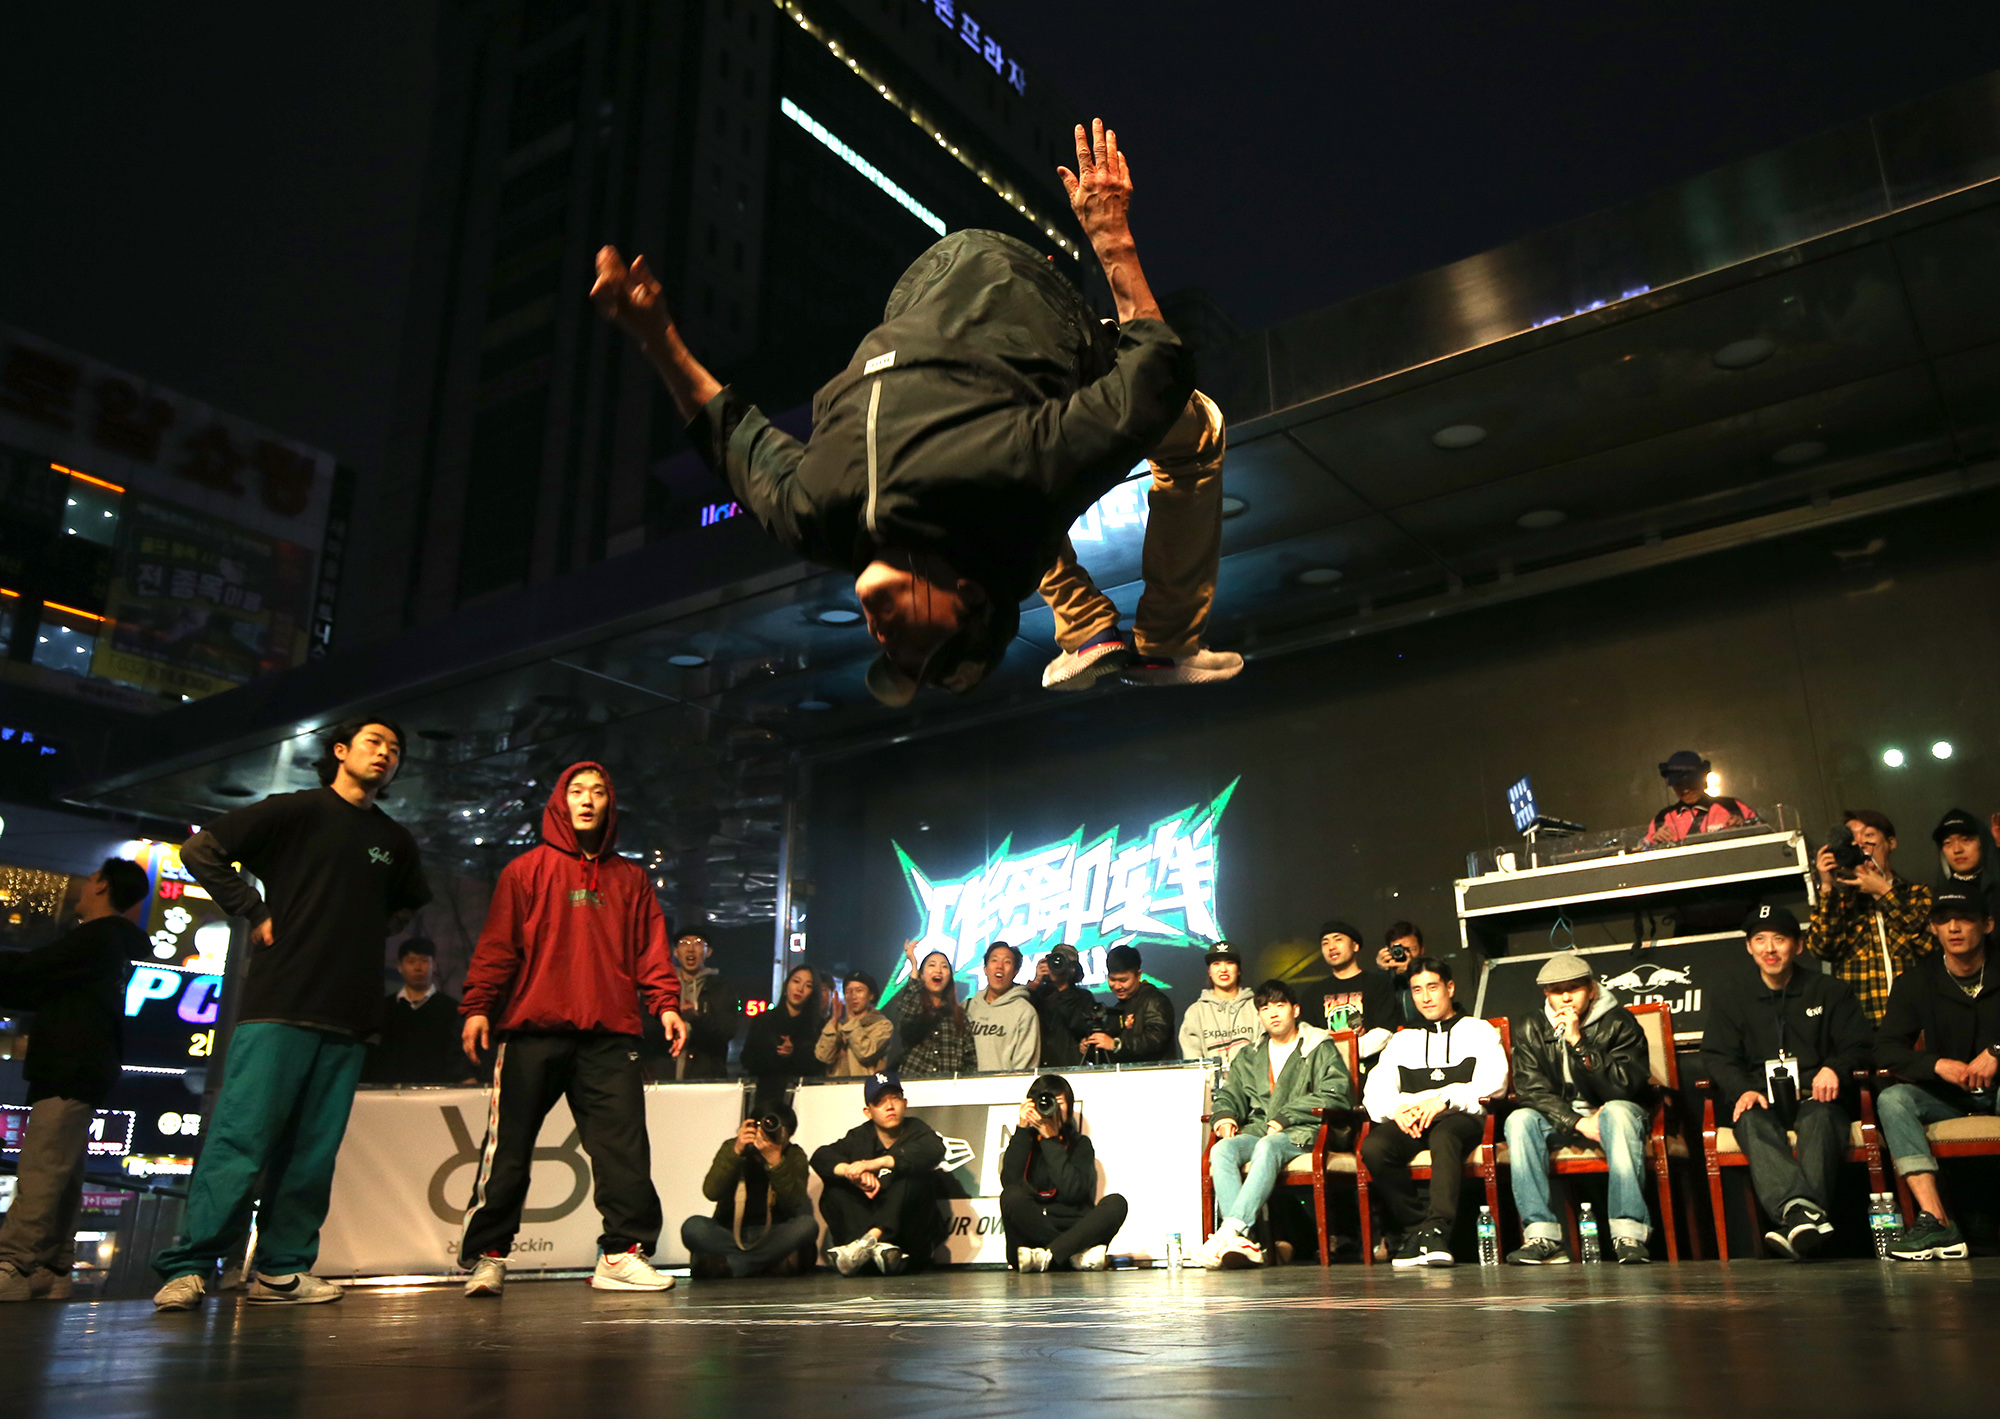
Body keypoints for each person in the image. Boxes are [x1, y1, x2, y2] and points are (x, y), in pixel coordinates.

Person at [592, 118, 1241, 705]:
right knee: (1193, 432)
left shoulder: (815, 517)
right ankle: (1167, 642)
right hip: (1027, 297)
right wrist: (1111, 236)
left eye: (888, 653)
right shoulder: (1021, 474)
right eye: (915, 646)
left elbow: (729, 434)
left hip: (920, 292)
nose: (884, 639)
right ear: (968, 600)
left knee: (1009, 516)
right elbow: (1155, 371)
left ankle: (1087, 627)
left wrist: (655, 336)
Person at [152, 717, 431, 1312]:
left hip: (350, 1011)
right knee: (242, 1138)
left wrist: (357, 932)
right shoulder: (295, 810)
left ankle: (281, 1269)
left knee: (312, 1152)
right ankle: (191, 1265)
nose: (385, 754)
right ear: (340, 751)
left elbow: (408, 904)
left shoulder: (395, 839)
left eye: (395, 749)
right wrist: (253, 910)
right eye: (374, 743)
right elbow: (201, 850)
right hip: (280, 1002)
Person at [456, 761, 687, 1298]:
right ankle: (489, 1256)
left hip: (610, 1034)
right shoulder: (525, 871)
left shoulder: (631, 879)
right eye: (577, 791)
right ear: (560, 802)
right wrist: (478, 1005)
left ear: (610, 804)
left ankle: (622, 1254)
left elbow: (651, 952)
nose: (586, 800)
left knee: (624, 1150)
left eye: (598, 792)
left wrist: (666, 1005)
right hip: (532, 1030)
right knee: (508, 1148)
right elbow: (497, 946)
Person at [0, 858, 149, 1302]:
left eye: (89, 881)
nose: (82, 889)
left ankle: (14, 1264)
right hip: (87, 1064)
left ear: (101, 885)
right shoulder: (114, 946)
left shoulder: (95, 938)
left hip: (67, 1062)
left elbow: (30, 972)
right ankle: (54, 1266)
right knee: (63, 1168)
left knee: (43, 1166)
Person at [1700, 903, 1871, 1260]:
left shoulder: (1829, 990)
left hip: (1816, 1097)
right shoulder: (1731, 994)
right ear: (1749, 947)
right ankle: (1806, 1216)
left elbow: (1859, 1044)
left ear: (1798, 945)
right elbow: (1717, 1055)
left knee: (1820, 1117)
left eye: (1779, 939)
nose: (1770, 949)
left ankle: (1795, 1216)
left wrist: (1834, 1068)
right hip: (1761, 1098)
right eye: (1760, 940)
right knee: (1749, 1120)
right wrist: (1742, 1089)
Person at [1503, 952, 1656, 1265]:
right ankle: (1542, 1236)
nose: (1566, 998)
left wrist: (1578, 1043)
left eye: (1574, 988)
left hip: (1613, 1112)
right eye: (1557, 990)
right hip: (1563, 1118)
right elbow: (1531, 1090)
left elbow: (1625, 1087)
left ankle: (1628, 1234)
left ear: (1592, 989)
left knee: (1617, 1112)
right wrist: (1576, 1122)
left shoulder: (1620, 1022)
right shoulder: (1531, 1025)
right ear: (1546, 993)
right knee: (1519, 1120)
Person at [1874, 886, 1998, 1261]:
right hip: (1949, 1095)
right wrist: (1936, 1065)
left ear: (1987, 924)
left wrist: (1997, 1052)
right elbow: (1885, 1048)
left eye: (1964, 919)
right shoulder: (1917, 981)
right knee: (1893, 1099)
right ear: (1933, 928)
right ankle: (1937, 1222)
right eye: (1944, 920)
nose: (1954, 928)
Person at [1361, 956, 1508, 1267]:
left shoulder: (1479, 1030)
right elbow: (1375, 1087)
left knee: (1444, 1135)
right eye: (1417, 990)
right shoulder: (1402, 1039)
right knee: (1375, 1147)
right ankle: (1419, 1230)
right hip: (1415, 1120)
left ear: (1449, 988)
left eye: (1432, 987)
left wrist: (1444, 1100)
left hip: (1462, 1118)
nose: (1425, 997)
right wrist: (1397, 1109)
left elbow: (1495, 1084)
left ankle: (1438, 1228)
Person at [1201, 980, 1353, 1267]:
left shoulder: (1317, 1046)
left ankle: (1231, 1232)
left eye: (1280, 1005)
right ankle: (1244, 1242)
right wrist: (1225, 1116)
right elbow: (1230, 1093)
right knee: (1222, 1150)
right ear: (1258, 1015)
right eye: (1265, 1008)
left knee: (1268, 1146)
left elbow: (1337, 1093)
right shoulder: (1250, 1054)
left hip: (1305, 1130)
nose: (1273, 1013)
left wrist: (1287, 1116)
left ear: (1295, 1010)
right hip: (1261, 1128)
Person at [811, 1071, 948, 1275]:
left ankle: (869, 1242)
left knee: (912, 1176)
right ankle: (870, 1248)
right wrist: (852, 1172)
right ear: (868, 1112)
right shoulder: (860, 1136)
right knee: (835, 1186)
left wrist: (878, 1163)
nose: (889, 1106)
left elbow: (935, 1150)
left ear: (905, 1103)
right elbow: (820, 1157)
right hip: (867, 1238)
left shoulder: (917, 1129)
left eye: (895, 1098)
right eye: (879, 1102)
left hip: (908, 1242)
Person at [1804, 809, 1934, 1024]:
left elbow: (1928, 945)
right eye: (1852, 839)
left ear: (1891, 843)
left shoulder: (1917, 894)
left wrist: (1883, 891)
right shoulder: (1842, 901)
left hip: (1916, 1019)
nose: (1860, 844)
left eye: (1869, 836)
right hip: (1861, 1024)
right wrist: (1827, 885)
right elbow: (1822, 949)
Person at [1002, 1073, 1128, 1271]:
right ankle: (1070, 1256)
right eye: (1044, 1102)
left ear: (1069, 1108)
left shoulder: (1080, 1144)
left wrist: (1051, 1140)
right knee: (1011, 1195)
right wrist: (1023, 1129)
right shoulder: (1024, 1141)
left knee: (1116, 1203)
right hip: (1032, 1239)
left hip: (1073, 1231)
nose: (1052, 1109)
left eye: (1058, 1103)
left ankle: (1050, 1256)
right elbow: (1009, 1183)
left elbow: (1072, 1192)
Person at [680, 1102, 819, 1279]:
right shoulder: (733, 1147)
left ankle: (736, 1266)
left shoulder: (793, 1154)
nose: (769, 1132)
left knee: (807, 1226)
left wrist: (776, 1162)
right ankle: (759, 1264)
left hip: (773, 1234)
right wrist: (736, 1152)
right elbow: (711, 1192)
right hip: (729, 1233)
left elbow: (794, 1201)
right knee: (693, 1227)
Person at [365, 939, 473, 1085]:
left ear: (434, 965)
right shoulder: (384, 1008)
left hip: (438, 1091)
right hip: (388, 1091)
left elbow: (459, 1054)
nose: (418, 967)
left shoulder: (452, 1009)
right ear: (400, 966)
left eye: (425, 961)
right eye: (411, 961)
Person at [1294, 920, 1398, 1062]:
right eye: (1325, 943)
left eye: (1338, 939)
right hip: (1328, 1071)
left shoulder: (1378, 984)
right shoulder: (1311, 994)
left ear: (1355, 946)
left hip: (1373, 1070)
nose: (1331, 947)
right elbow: (1306, 1037)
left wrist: (1346, 1046)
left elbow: (1385, 1032)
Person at [743, 964, 826, 1105]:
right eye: (796, 981)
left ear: (813, 992)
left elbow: (819, 1066)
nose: (800, 989)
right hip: (767, 1097)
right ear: (786, 984)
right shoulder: (763, 1020)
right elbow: (747, 1059)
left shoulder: (818, 1026)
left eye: (808, 986)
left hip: (804, 1100)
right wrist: (776, 1055)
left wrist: (795, 1053)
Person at [1641, 750, 1760, 848]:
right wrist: (1653, 841)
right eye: (1678, 784)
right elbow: (1641, 849)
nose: (1685, 790)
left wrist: (1744, 828)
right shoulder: (1663, 818)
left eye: (1689, 782)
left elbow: (1764, 834)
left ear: (1702, 779)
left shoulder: (1732, 806)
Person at [890, 947, 976, 1076]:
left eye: (944, 966)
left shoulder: (959, 1016)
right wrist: (914, 967)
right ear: (922, 975)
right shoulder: (914, 1006)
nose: (938, 970)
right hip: (914, 1082)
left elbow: (970, 1059)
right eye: (932, 965)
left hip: (948, 1085)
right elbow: (907, 1014)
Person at [1081, 944, 1174, 1063]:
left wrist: (1117, 1044)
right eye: (1112, 979)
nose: (1117, 986)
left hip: (1153, 1073)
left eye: (1123, 980)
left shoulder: (1155, 1001)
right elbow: (1112, 1053)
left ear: (1138, 975)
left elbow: (1156, 1040)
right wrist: (1091, 1049)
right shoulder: (1118, 1008)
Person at [1179, 941, 1262, 1066]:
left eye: (1230, 963)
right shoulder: (1195, 1012)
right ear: (1209, 971)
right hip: (1210, 1079)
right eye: (1216, 963)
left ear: (1239, 970)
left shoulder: (1256, 1006)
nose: (1223, 969)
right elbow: (1193, 1063)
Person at [668, 931, 733, 1080]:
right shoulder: (664, 985)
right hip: (662, 1073)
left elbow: (727, 1031)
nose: (690, 949)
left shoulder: (721, 987)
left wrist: (697, 1019)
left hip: (706, 1075)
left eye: (698, 943)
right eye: (684, 943)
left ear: (708, 952)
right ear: (676, 952)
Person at [965, 942, 1040, 1072]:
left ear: (1015, 972)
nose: (999, 966)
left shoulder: (1025, 1012)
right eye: (994, 960)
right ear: (985, 969)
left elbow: (1025, 1069)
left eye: (1007, 962)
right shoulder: (967, 1007)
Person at [1931, 807, 2000, 926]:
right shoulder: (1935, 895)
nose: (1957, 849)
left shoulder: (1995, 886)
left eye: (1966, 840)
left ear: (1983, 842)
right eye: (1948, 843)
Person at [817, 970, 893, 1077]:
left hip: (864, 1085)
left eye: (859, 991)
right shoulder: (840, 1026)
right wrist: (834, 1020)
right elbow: (823, 1056)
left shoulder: (882, 1025)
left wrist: (852, 1023)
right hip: (835, 1085)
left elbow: (866, 1053)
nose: (853, 996)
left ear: (871, 995)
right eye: (848, 991)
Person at [1031, 943, 1097, 1067]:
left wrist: (1064, 987)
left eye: (1061, 963)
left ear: (1073, 968)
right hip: (1039, 1066)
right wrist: (1036, 981)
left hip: (1070, 1065)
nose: (1057, 967)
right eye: (1054, 962)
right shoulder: (1039, 994)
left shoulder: (1083, 997)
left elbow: (1080, 1028)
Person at [1372, 921, 1423, 1029]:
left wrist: (1412, 972)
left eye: (1411, 949)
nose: (1404, 954)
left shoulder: (1431, 976)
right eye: (1398, 950)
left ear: (1422, 950)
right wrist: (1382, 971)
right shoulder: (1382, 980)